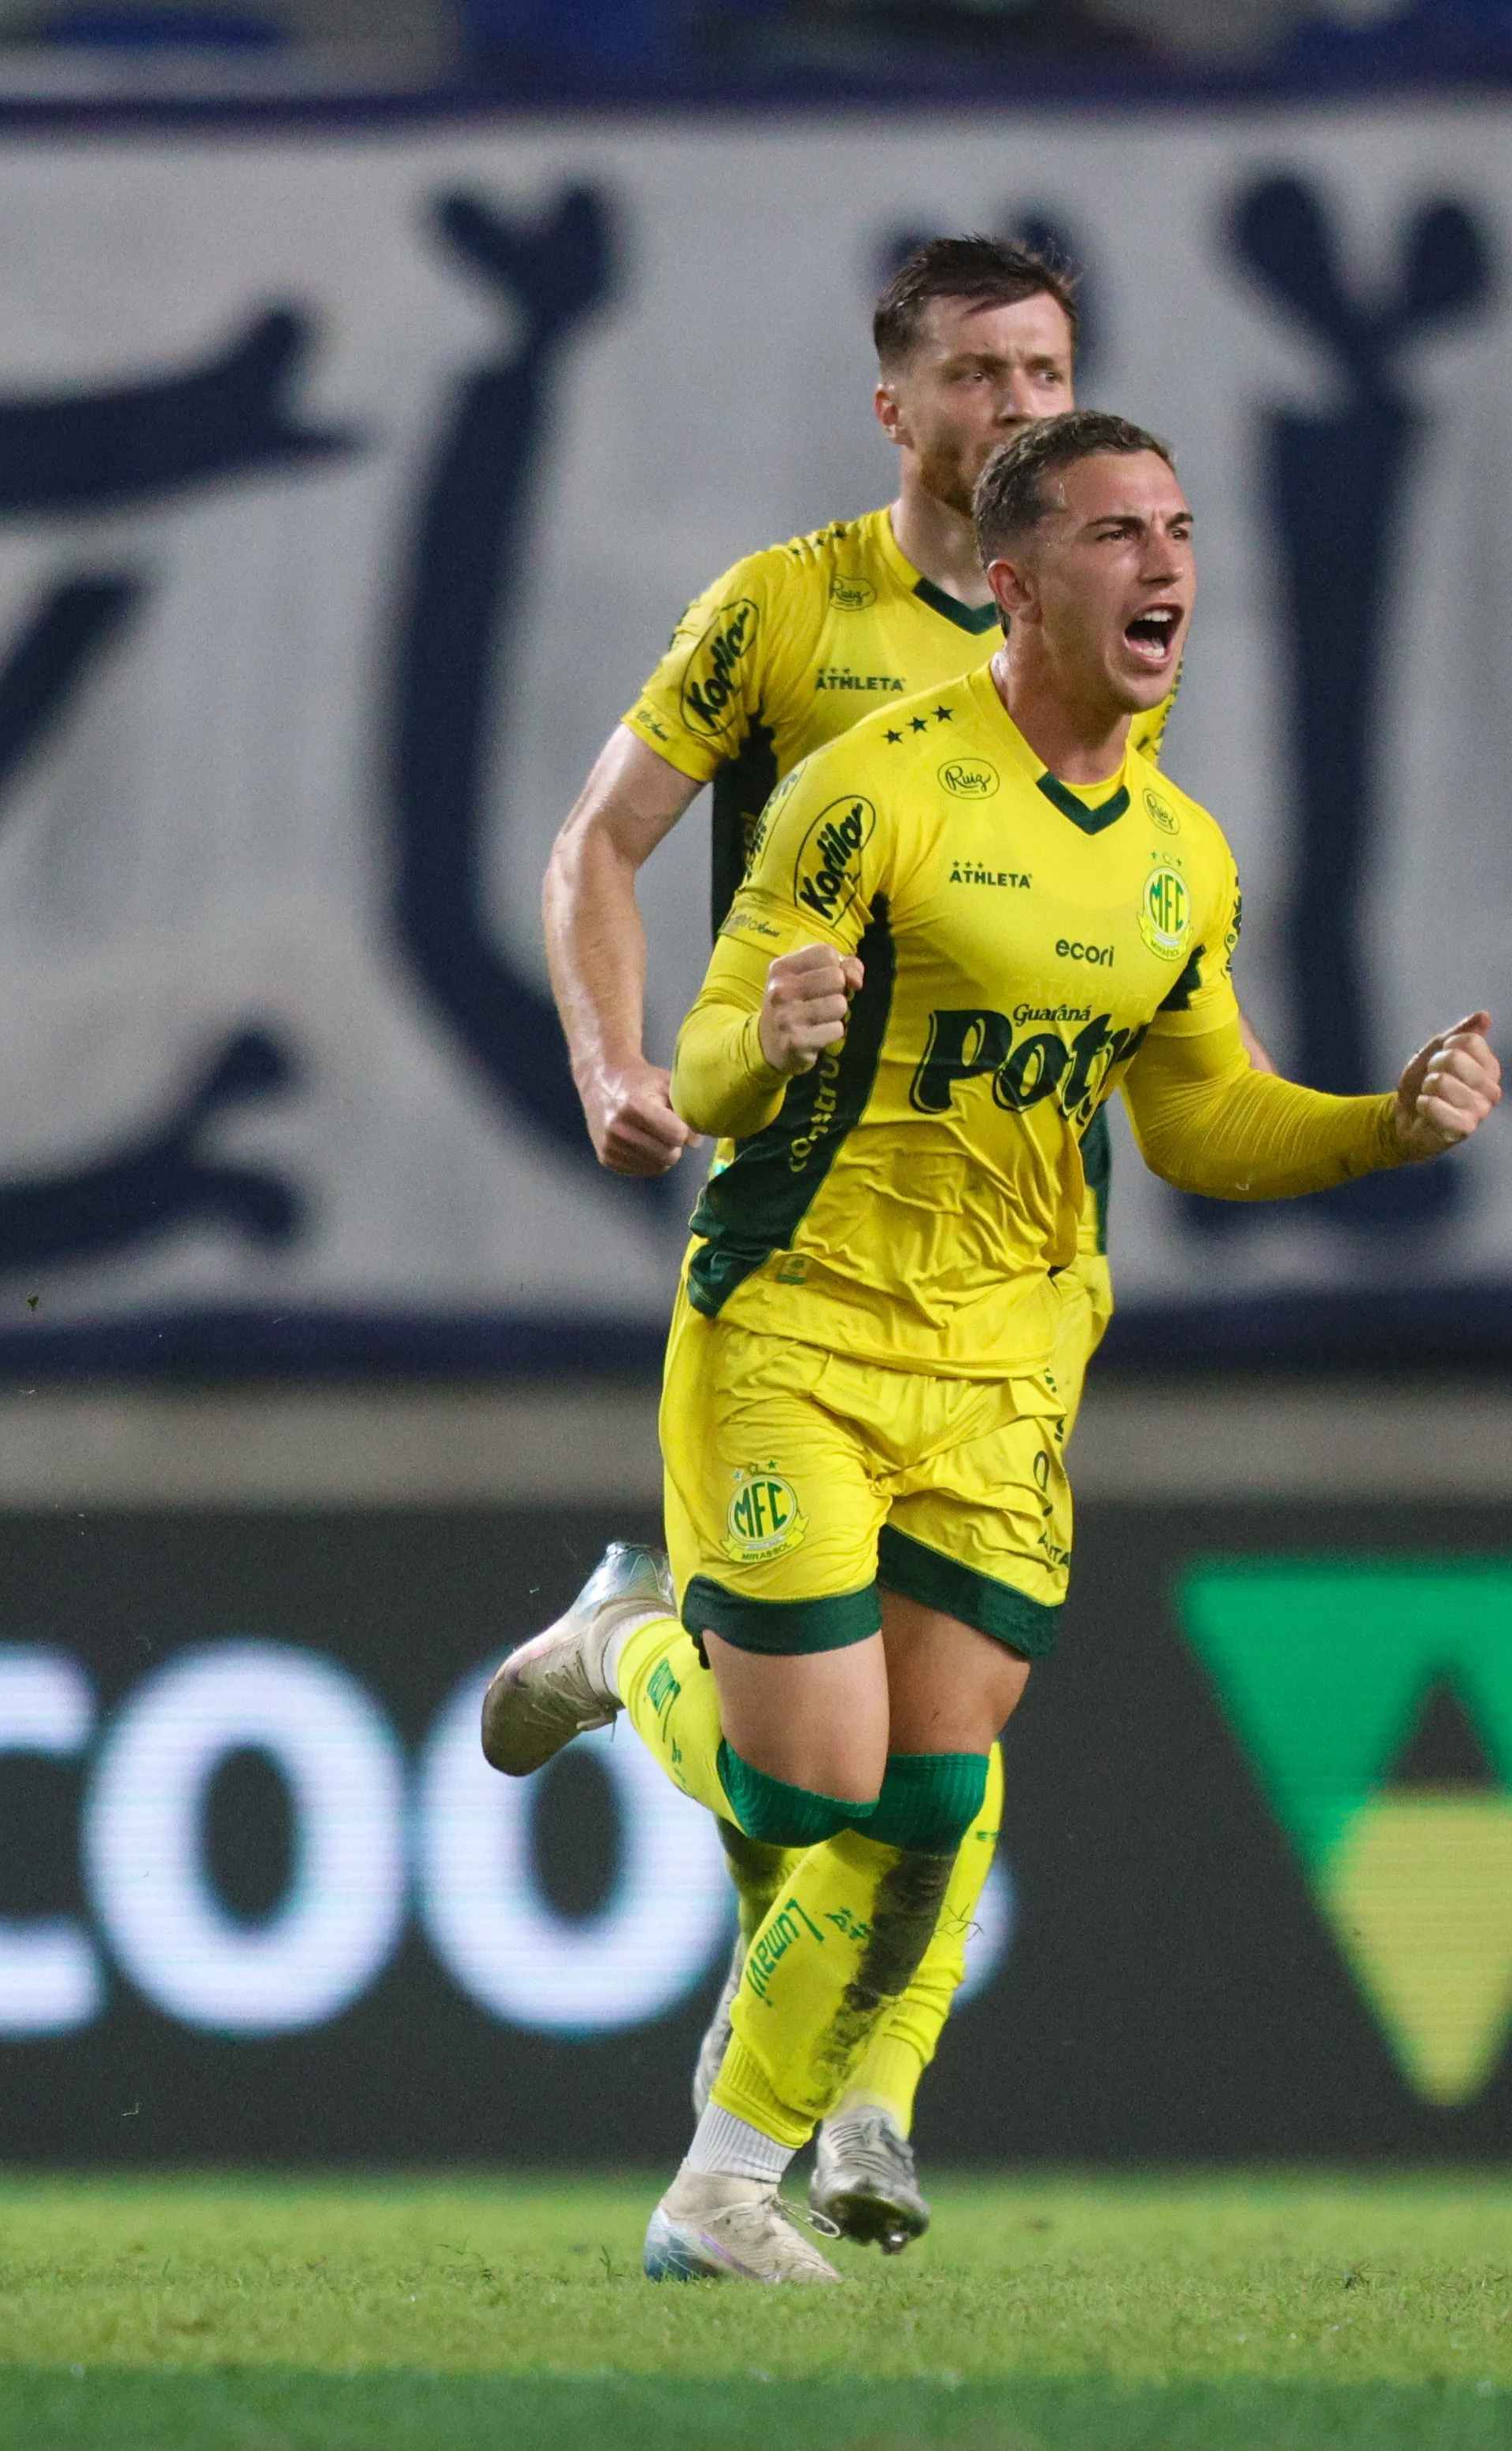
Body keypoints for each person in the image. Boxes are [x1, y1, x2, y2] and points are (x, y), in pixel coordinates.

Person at [486, 412, 1501, 2283]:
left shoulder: (1182, 853)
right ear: (1017, 586)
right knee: (812, 1788)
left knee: (932, 1794)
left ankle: (717, 2190)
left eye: (1182, 530)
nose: (1170, 565)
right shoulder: (869, 788)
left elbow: (1202, 1122)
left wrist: (1385, 1126)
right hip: (799, 1320)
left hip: (1010, 1363)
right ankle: (627, 1637)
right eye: (1122, 534)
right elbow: (704, 1064)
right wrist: (765, 1036)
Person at [538, 233, 1237, 2248]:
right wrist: (618, 1056)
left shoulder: (1107, 622)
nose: (1022, 405)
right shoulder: (792, 612)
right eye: (984, 376)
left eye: (1051, 371)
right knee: (814, 1788)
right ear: (900, 408)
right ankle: (630, 1659)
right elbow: (601, 838)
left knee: (939, 1736)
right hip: (812, 1240)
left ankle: (853, 2114)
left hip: (1012, 1285)